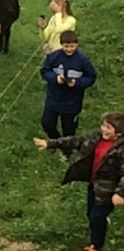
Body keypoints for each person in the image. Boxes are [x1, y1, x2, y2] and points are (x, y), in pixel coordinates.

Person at [33, 112, 124, 251]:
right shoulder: (95, 137)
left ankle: (96, 247)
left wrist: (120, 193)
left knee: (96, 216)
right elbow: (74, 141)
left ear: (119, 133)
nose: (103, 129)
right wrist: (50, 143)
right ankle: (101, 222)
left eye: (108, 127)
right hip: (93, 185)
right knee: (91, 213)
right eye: (103, 125)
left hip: (108, 190)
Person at [40, 30, 97, 158]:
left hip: (72, 102)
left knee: (69, 129)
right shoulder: (54, 57)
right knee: (47, 123)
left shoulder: (83, 60)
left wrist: (77, 83)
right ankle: (56, 141)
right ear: (61, 45)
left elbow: (91, 77)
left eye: (72, 46)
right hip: (53, 98)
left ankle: (67, 151)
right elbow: (44, 71)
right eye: (66, 46)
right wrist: (55, 79)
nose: (69, 49)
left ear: (77, 45)